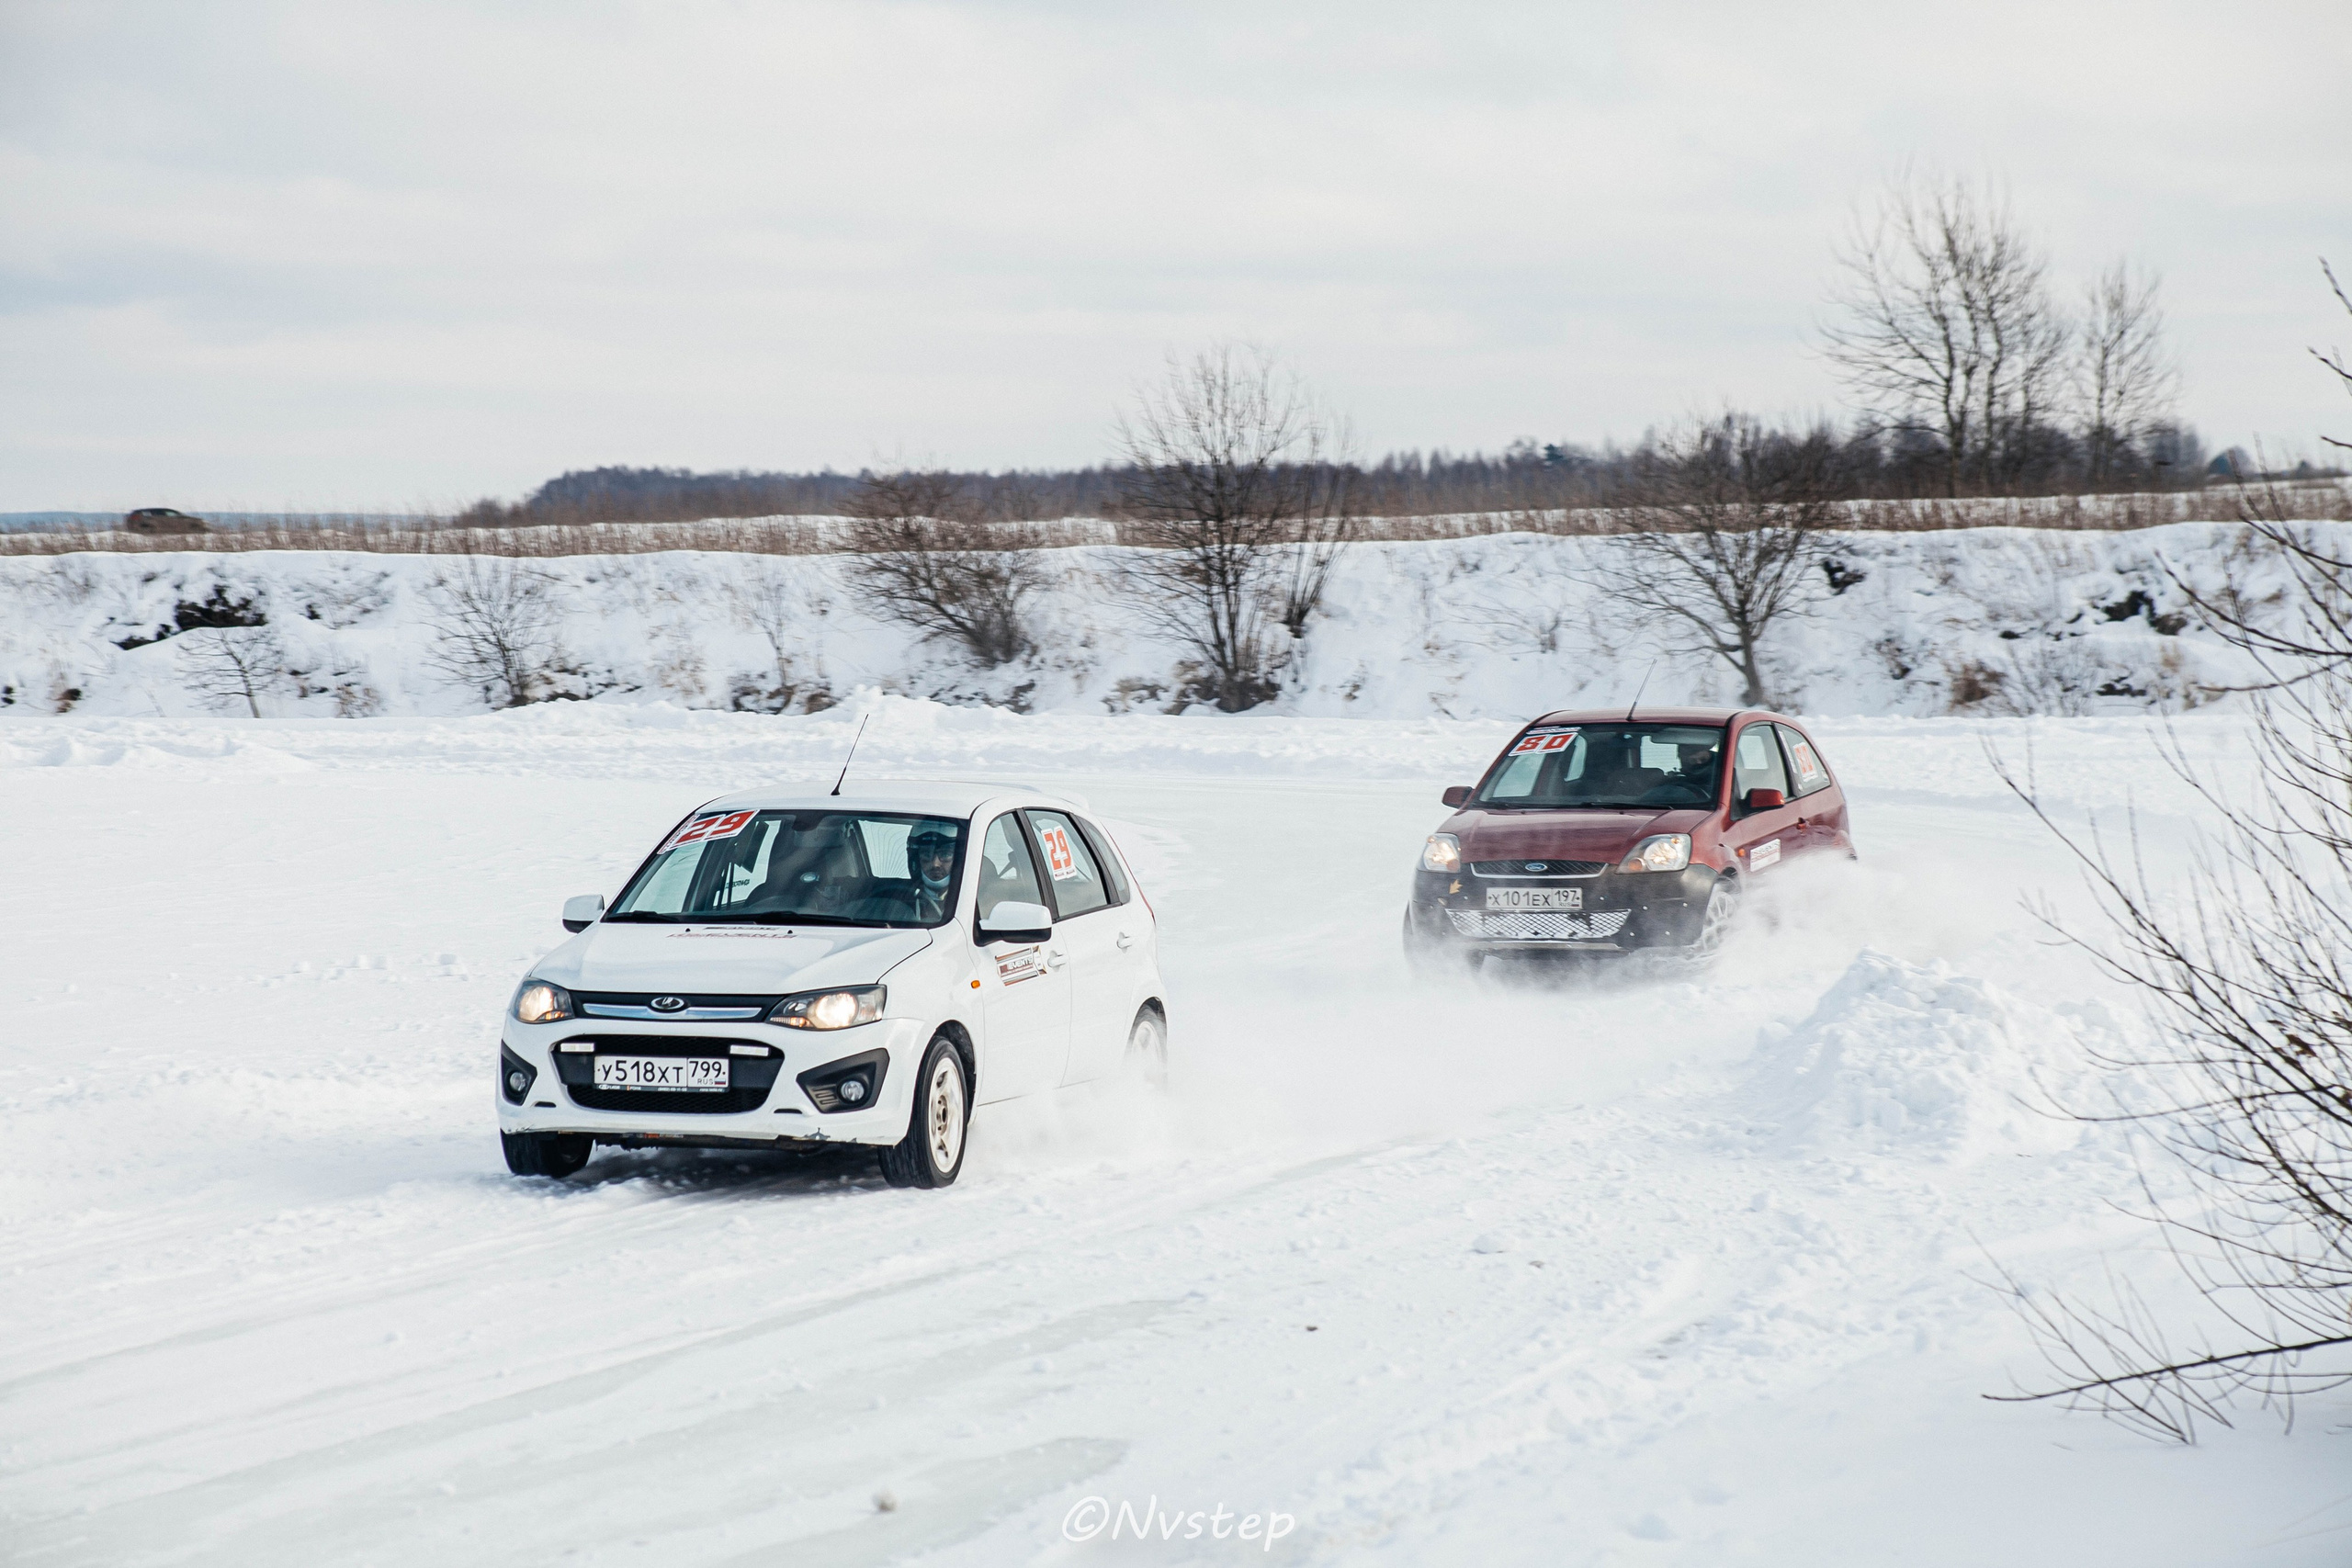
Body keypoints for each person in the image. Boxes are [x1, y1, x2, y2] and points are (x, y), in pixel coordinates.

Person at [909, 828, 958, 920]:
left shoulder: (969, 900)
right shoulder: (897, 900)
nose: (935, 864)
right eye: (927, 855)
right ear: (916, 860)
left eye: (946, 855)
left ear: (957, 860)